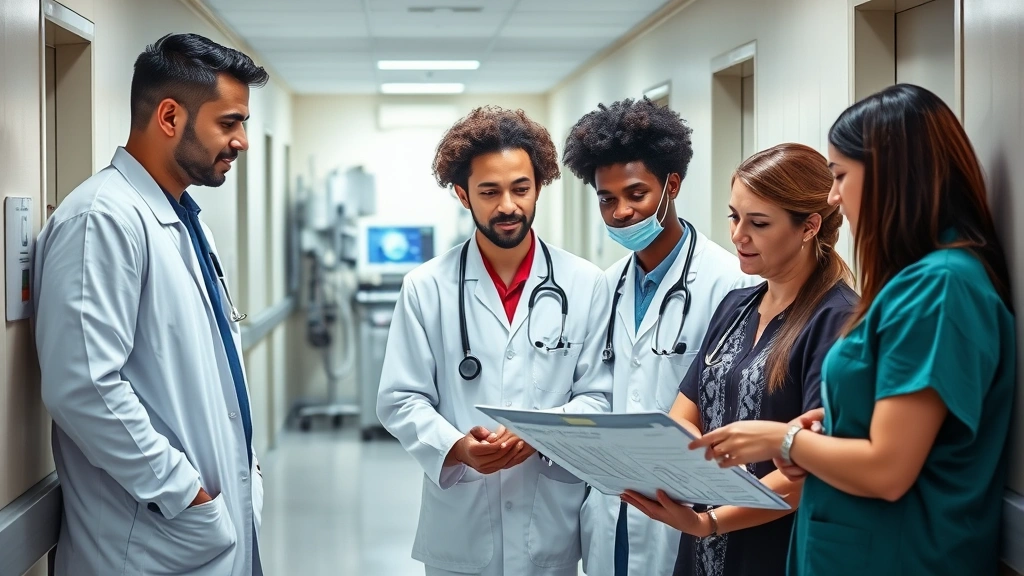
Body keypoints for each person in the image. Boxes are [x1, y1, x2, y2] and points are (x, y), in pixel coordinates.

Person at [692, 84, 1016, 576]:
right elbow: (893, 420)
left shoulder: (942, 288)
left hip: (902, 557)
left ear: (893, 175)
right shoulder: (914, 282)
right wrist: (830, 425)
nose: (833, 195)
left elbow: (888, 469)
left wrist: (782, 441)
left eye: (841, 174)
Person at [32, 34, 269, 576]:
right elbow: (84, 386)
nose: (241, 142)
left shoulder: (184, 220)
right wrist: (185, 494)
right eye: (229, 123)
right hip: (151, 540)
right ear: (169, 116)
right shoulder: (102, 219)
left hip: (207, 529)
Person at [376, 106, 613, 576]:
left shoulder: (585, 283)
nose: (509, 205)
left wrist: (540, 432)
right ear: (463, 195)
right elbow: (401, 399)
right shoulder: (427, 286)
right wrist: (456, 447)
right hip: (460, 530)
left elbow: (600, 396)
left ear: (539, 186)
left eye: (521, 189)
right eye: (490, 191)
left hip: (551, 525)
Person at [622, 143, 858, 576]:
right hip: (699, 548)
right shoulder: (736, 306)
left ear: (808, 227)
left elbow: (809, 467)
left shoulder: (837, 319)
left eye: (759, 223)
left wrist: (709, 521)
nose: (737, 235)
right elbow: (683, 414)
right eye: (734, 216)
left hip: (771, 551)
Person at [562, 97, 757, 576]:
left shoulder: (731, 284)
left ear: (672, 185)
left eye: (636, 194)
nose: (621, 212)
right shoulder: (606, 286)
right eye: (607, 199)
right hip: (615, 509)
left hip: (691, 507)